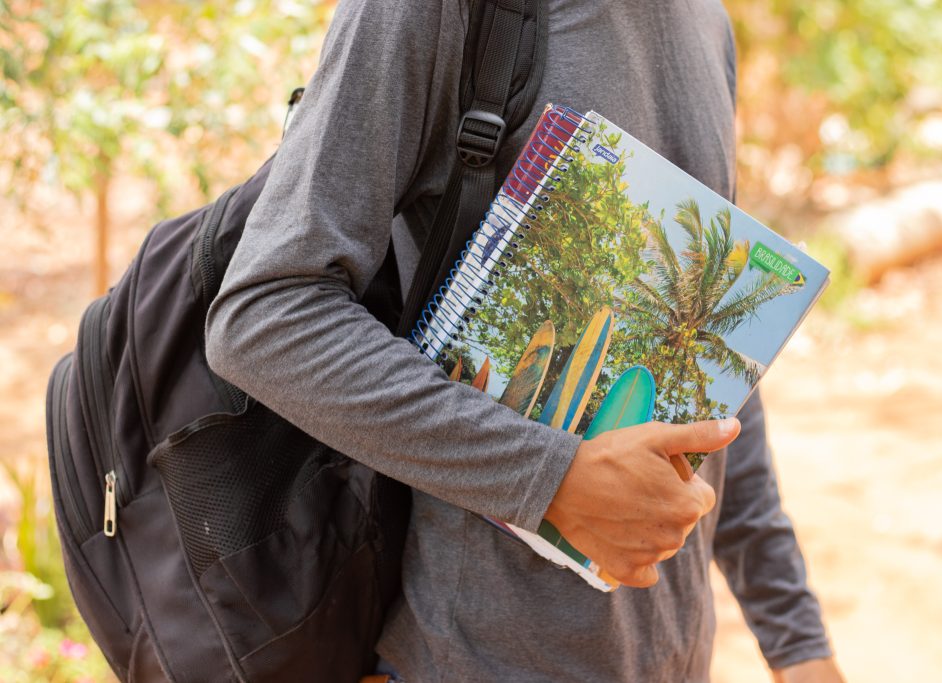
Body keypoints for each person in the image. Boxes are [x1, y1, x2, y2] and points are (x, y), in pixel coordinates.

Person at [205, 1, 845, 681]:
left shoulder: (704, 19)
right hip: (469, 658)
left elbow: (714, 384)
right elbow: (266, 313)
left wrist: (797, 640)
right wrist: (552, 474)